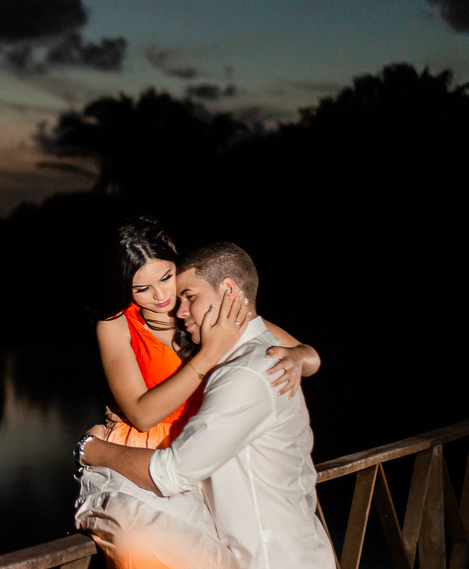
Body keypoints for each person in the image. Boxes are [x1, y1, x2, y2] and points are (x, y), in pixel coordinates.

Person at [74, 218, 320, 568]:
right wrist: (209, 355)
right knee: (150, 547)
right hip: (149, 454)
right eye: (141, 288)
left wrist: (295, 356)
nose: (160, 296)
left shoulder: (206, 309)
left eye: (165, 277)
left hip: (207, 448)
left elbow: (311, 356)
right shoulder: (117, 323)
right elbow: (143, 413)